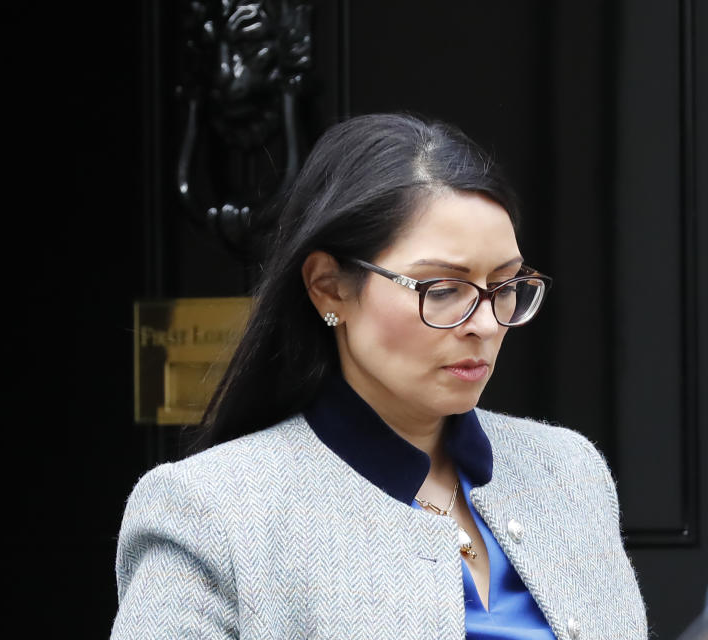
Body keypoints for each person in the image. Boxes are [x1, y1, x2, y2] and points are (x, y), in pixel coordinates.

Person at [111, 113, 648, 639]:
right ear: (329, 288)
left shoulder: (567, 472)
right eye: (442, 289)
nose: (485, 324)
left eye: (506, 285)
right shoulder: (210, 511)